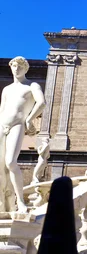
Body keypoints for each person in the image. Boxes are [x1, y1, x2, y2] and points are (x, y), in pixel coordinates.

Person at [0, 56, 46, 212]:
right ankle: (4, 201)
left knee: (11, 162)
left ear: (26, 69)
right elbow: (2, 109)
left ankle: (20, 201)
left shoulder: (32, 85)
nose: (17, 68)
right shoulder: (7, 89)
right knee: (0, 166)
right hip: (2, 125)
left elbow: (41, 103)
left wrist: (29, 119)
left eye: (20, 66)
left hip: (17, 125)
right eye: (14, 65)